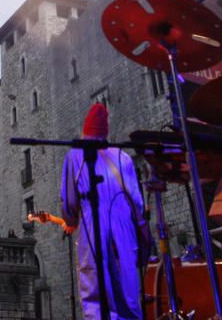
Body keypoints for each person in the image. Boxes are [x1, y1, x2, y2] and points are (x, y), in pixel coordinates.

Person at [60, 103, 149, 320]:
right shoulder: (123, 157)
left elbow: (69, 201)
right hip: (125, 225)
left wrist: (70, 219)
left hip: (92, 219)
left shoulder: (75, 156)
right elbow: (137, 202)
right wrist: (143, 232)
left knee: (94, 290)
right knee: (127, 289)